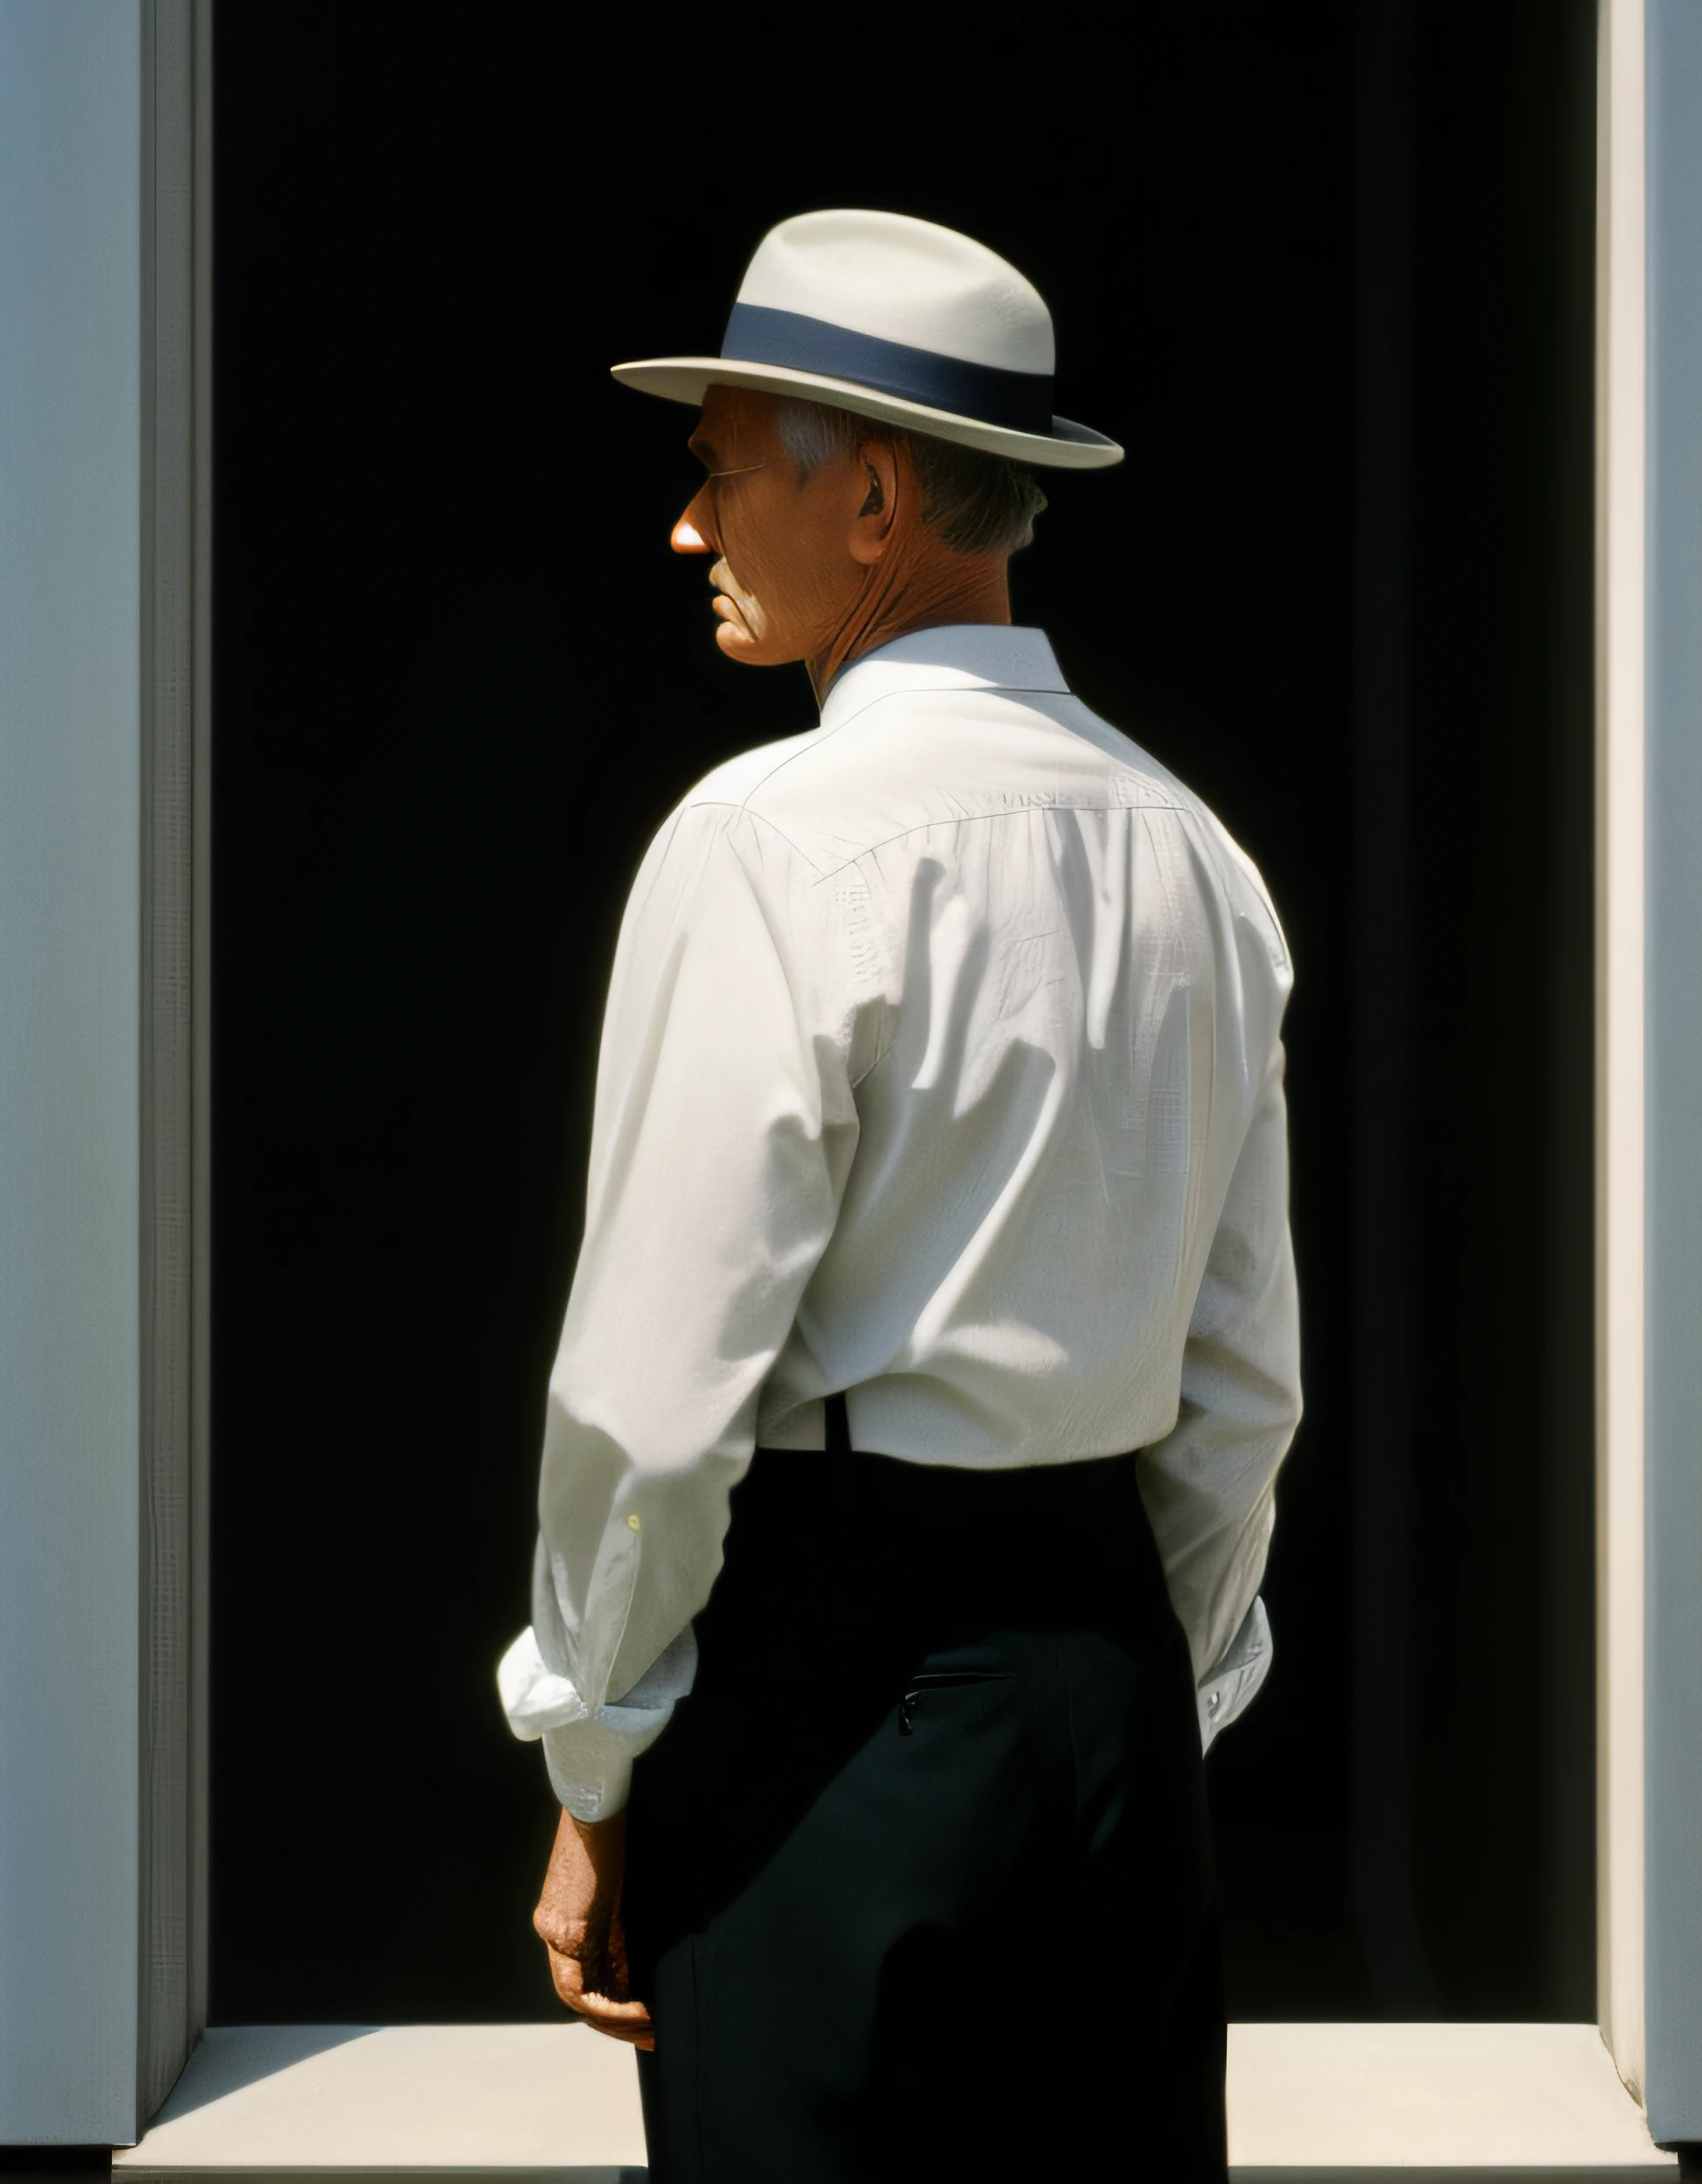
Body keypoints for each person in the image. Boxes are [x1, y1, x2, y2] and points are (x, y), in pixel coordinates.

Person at [498, 207, 1301, 2181]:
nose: (687, 527)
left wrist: (593, 1752)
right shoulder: (1194, 856)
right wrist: (1132, 1705)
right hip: (1110, 1702)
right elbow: (1237, 1386)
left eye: (716, 464)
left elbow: (652, 1391)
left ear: (865, 499)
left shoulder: (766, 842)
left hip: (833, 1703)